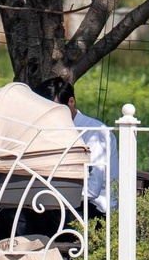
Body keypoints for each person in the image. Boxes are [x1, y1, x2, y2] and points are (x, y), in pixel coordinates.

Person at [34, 73, 116, 212]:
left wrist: (51, 196)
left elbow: (92, 189)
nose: (49, 115)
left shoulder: (94, 132)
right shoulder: (45, 130)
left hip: (94, 207)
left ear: (71, 102)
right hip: (57, 201)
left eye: (55, 109)